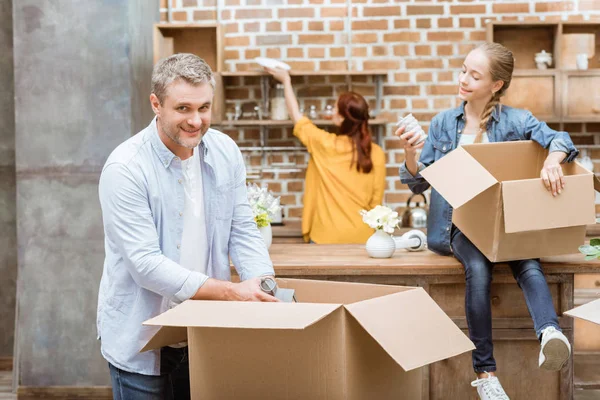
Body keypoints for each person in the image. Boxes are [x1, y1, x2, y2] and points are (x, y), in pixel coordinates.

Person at [397, 42, 577, 400]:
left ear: (496, 85)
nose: (463, 79)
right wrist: (410, 153)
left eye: (474, 75)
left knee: (527, 260)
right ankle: (486, 373)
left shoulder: (516, 120)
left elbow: (560, 140)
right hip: (456, 226)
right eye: (463, 70)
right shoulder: (444, 124)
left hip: (504, 223)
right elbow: (419, 181)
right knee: (478, 269)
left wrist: (553, 160)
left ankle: (550, 333)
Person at [97, 53, 278, 400]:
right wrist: (233, 292)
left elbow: (242, 227)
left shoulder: (225, 151)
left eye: (204, 108)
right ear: (156, 104)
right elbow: (146, 265)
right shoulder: (126, 169)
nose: (196, 121)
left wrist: (263, 285)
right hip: (142, 341)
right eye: (183, 109)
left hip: (203, 333)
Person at [266, 67, 386, 244]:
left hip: (325, 236)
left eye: (336, 109)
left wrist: (286, 81)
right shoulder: (376, 152)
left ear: (343, 118)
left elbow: (296, 116)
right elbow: (377, 203)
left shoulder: (325, 144)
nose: (333, 113)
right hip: (363, 237)